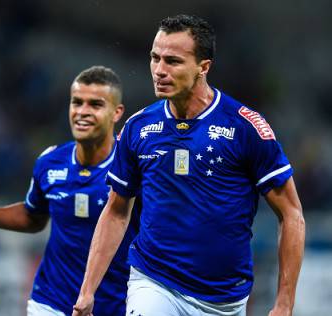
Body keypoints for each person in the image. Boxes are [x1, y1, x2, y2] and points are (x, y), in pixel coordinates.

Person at [73, 15, 305, 316]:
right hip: (153, 282)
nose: (159, 70)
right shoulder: (138, 128)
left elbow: (291, 214)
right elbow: (117, 211)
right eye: (155, 58)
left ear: (203, 67)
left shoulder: (246, 128)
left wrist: (284, 304)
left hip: (223, 298)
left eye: (172, 61)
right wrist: (87, 290)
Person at [0, 66, 138, 315]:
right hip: (50, 301)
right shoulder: (50, 161)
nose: (83, 112)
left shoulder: (133, 165)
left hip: (112, 305)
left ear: (116, 112)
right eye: (77, 102)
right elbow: (32, 217)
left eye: (95, 105)